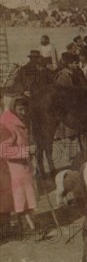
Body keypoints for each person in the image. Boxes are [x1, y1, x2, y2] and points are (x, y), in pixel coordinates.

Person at [0, 97, 39, 235]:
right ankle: (28, 229)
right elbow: (4, 150)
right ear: (13, 110)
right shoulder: (8, 125)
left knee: (25, 199)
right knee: (21, 199)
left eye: (25, 109)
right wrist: (26, 151)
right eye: (20, 109)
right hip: (13, 170)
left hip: (22, 169)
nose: (23, 112)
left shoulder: (18, 123)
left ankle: (30, 227)